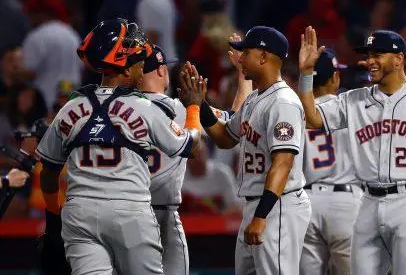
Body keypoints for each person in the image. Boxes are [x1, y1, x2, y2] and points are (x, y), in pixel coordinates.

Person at [297, 27, 406, 274]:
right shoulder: (354, 99)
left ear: (398, 59)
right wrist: (306, 74)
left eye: (377, 55)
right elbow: (312, 120)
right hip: (368, 201)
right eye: (368, 55)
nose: (370, 61)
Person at [36, 19, 202, 274]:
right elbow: (189, 144)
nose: (140, 68)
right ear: (124, 68)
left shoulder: (69, 107)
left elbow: (48, 171)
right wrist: (193, 107)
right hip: (129, 209)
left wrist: (52, 217)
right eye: (137, 62)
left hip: (79, 213)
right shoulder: (143, 107)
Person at [185, 26, 311, 275]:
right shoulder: (255, 99)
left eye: (246, 52)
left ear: (263, 57)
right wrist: (202, 106)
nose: (240, 58)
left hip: (278, 207)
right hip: (256, 204)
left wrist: (262, 216)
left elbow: (283, 162)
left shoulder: (282, 102)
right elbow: (225, 138)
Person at [300, 49, 360, 275]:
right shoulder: (350, 107)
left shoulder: (297, 111)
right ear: (334, 77)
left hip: (307, 201)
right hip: (345, 201)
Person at [140, 44, 191, 275]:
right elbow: (232, 122)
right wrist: (195, 109)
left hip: (129, 210)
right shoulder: (179, 109)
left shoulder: (119, 109)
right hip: (164, 214)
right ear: (161, 71)